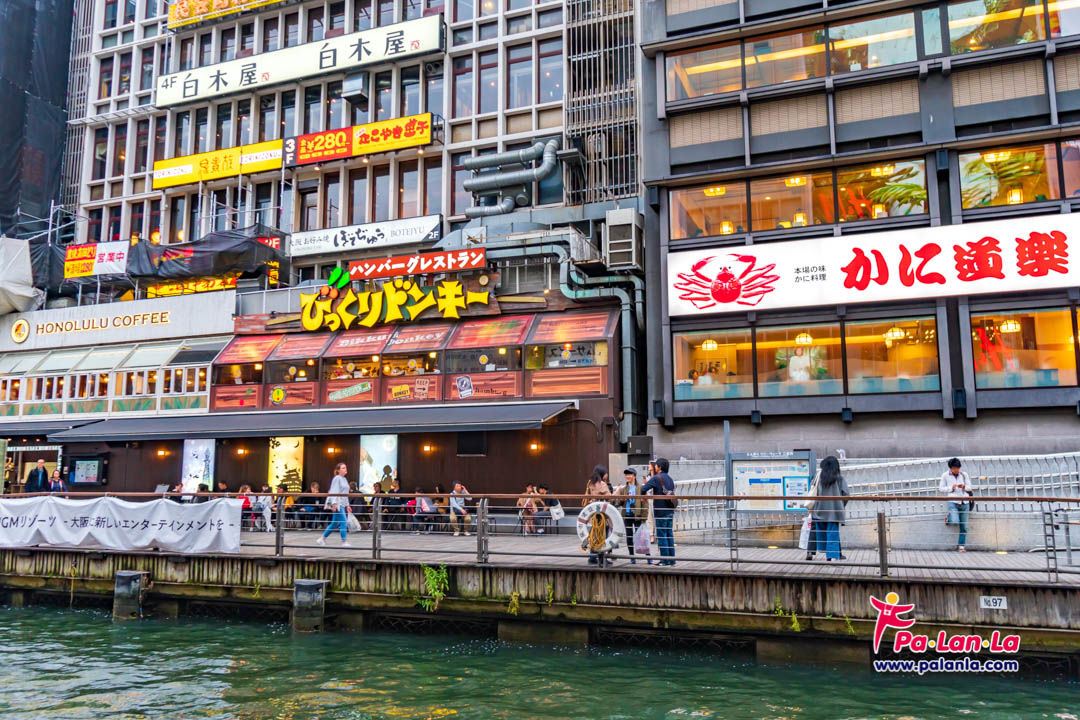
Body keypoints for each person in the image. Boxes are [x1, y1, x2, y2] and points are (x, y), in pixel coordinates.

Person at [810, 456, 849, 561]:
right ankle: (831, 556)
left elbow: (812, 489)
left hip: (819, 511)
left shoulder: (818, 478)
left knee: (821, 533)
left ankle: (824, 551)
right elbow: (846, 494)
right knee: (833, 533)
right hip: (834, 512)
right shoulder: (839, 479)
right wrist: (840, 505)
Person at [642, 457, 677, 566]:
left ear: (659, 467)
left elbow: (643, 489)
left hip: (660, 511)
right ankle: (672, 560)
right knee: (669, 535)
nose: (655, 467)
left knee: (661, 536)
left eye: (656, 465)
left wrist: (643, 497)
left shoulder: (656, 478)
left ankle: (664, 560)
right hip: (670, 511)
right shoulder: (670, 479)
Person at [616, 469, 649, 565]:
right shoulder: (623, 489)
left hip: (638, 516)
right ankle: (632, 556)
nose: (627, 476)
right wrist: (622, 499)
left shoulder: (641, 488)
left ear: (634, 476)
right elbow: (618, 503)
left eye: (629, 474)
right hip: (627, 515)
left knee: (642, 537)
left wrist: (644, 518)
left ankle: (648, 556)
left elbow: (645, 504)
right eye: (626, 475)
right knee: (629, 536)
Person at [940, 457, 973, 552]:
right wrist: (951, 488)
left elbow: (970, 488)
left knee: (964, 527)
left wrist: (964, 487)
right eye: (954, 468)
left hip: (965, 502)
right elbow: (941, 488)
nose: (956, 470)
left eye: (958, 468)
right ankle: (949, 517)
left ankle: (961, 546)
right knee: (955, 521)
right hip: (953, 502)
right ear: (950, 468)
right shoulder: (945, 475)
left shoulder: (964, 475)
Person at [317, 462, 351, 547]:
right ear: (338, 470)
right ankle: (344, 541)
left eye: (345, 467)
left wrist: (347, 505)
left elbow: (345, 494)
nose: (345, 469)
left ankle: (322, 539)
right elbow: (334, 491)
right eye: (343, 468)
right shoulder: (337, 478)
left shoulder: (344, 479)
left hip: (342, 504)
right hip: (338, 503)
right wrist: (334, 503)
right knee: (343, 521)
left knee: (334, 523)